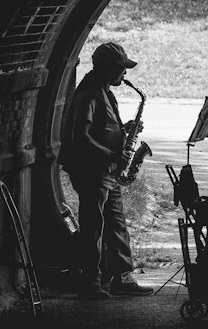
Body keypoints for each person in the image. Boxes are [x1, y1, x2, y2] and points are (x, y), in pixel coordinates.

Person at [59, 41, 153, 299]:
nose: (125, 74)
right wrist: (113, 153)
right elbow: (81, 136)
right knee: (94, 225)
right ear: (106, 68)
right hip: (92, 171)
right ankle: (90, 282)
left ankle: (121, 275)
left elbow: (103, 127)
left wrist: (125, 128)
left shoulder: (103, 90)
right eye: (121, 68)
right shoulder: (89, 94)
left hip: (107, 170)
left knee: (116, 222)